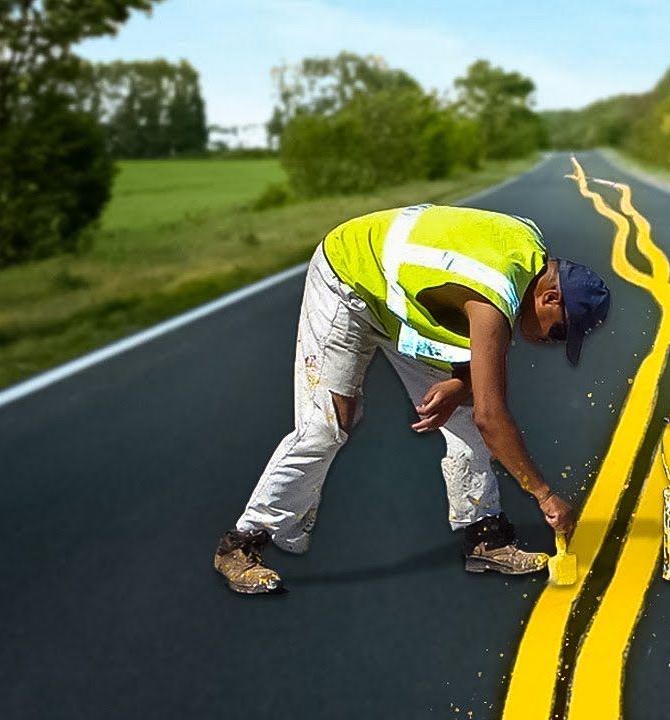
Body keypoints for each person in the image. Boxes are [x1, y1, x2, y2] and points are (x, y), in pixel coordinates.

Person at [214, 204, 611, 594]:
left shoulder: (529, 249)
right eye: (559, 333)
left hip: (401, 296)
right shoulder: (495, 294)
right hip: (349, 280)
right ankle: (244, 541)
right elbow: (493, 418)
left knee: (464, 409)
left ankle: (484, 537)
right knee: (328, 425)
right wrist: (544, 494)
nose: (550, 343)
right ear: (551, 298)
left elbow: (465, 323)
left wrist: (458, 384)